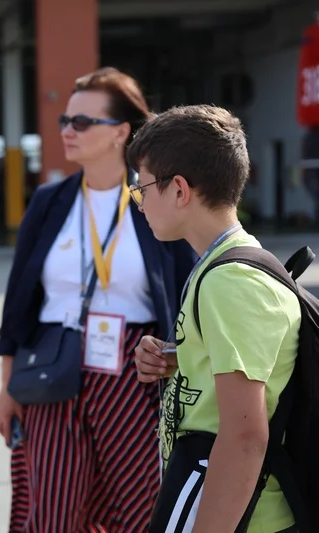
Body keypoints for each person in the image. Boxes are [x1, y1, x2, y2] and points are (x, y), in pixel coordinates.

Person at [0, 67, 197, 533]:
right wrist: (7, 386)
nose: (66, 130)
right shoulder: (49, 201)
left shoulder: (154, 200)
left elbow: (185, 293)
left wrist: (175, 359)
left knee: (145, 508)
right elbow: (18, 303)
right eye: (66, 119)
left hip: (132, 372)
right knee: (53, 512)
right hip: (51, 365)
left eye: (82, 122)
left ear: (121, 132)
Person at [130, 104, 300, 533]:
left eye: (142, 188)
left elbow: (244, 437)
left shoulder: (230, 282)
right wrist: (185, 356)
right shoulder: (223, 263)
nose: (139, 203)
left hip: (247, 519)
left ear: (180, 190)